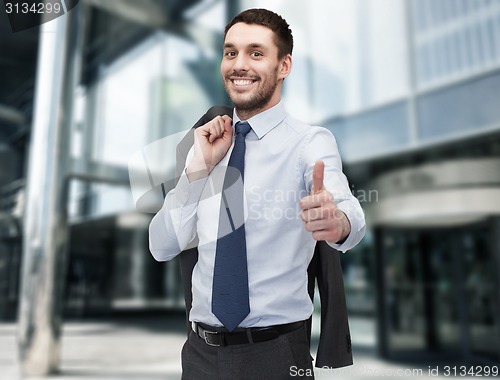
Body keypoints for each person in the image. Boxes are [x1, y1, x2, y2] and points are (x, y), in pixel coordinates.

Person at [149, 8, 365, 379]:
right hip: (200, 356)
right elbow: (161, 246)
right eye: (231, 52)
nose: (239, 64)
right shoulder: (206, 143)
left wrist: (337, 222)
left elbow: (350, 215)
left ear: (284, 66)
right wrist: (198, 171)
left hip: (277, 357)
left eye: (256, 53)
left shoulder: (309, 143)